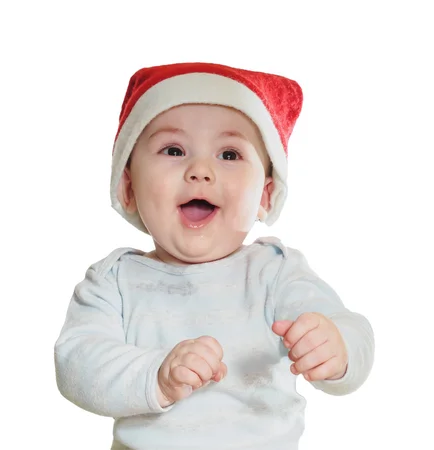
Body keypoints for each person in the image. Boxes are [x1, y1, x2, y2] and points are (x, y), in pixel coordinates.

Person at [54, 62, 375, 450]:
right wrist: (156, 376)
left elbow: (353, 329)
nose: (200, 170)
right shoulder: (114, 281)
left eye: (229, 154)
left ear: (266, 195)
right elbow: (78, 363)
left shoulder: (274, 273)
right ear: (127, 186)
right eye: (174, 150)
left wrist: (335, 346)